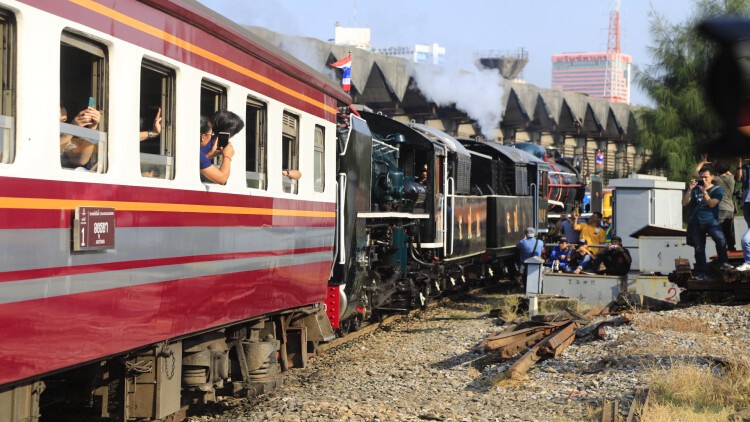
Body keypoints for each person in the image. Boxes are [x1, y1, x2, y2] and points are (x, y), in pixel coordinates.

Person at [682, 166, 732, 280]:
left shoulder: (717, 189)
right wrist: (690, 189)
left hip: (711, 221)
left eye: (706, 177)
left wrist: (704, 192)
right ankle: (702, 272)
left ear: (712, 177)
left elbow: (712, 204)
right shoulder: (695, 188)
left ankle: (723, 262)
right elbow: (684, 203)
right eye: (702, 177)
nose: (703, 179)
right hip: (696, 223)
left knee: (720, 239)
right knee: (699, 248)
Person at [695, 155, 735, 250]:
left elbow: (696, 174)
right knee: (729, 230)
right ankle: (732, 248)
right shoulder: (731, 179)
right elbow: (726, 171)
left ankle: (723, 251)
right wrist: (720, 165)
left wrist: (702, 163)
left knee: (719, 232)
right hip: (730, 209)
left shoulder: (716, 179)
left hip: (720, 208)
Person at [199, 110, 243, 185]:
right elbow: (222, 179)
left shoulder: (203, 147)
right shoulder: (197, 151)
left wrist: (209, 155)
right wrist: (227, 156)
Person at [60, 104, 100, 169]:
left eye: (64, 120)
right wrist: (72, 129)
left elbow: (80, 160)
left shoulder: (64, 137)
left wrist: (92, 128)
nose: (62, 124)